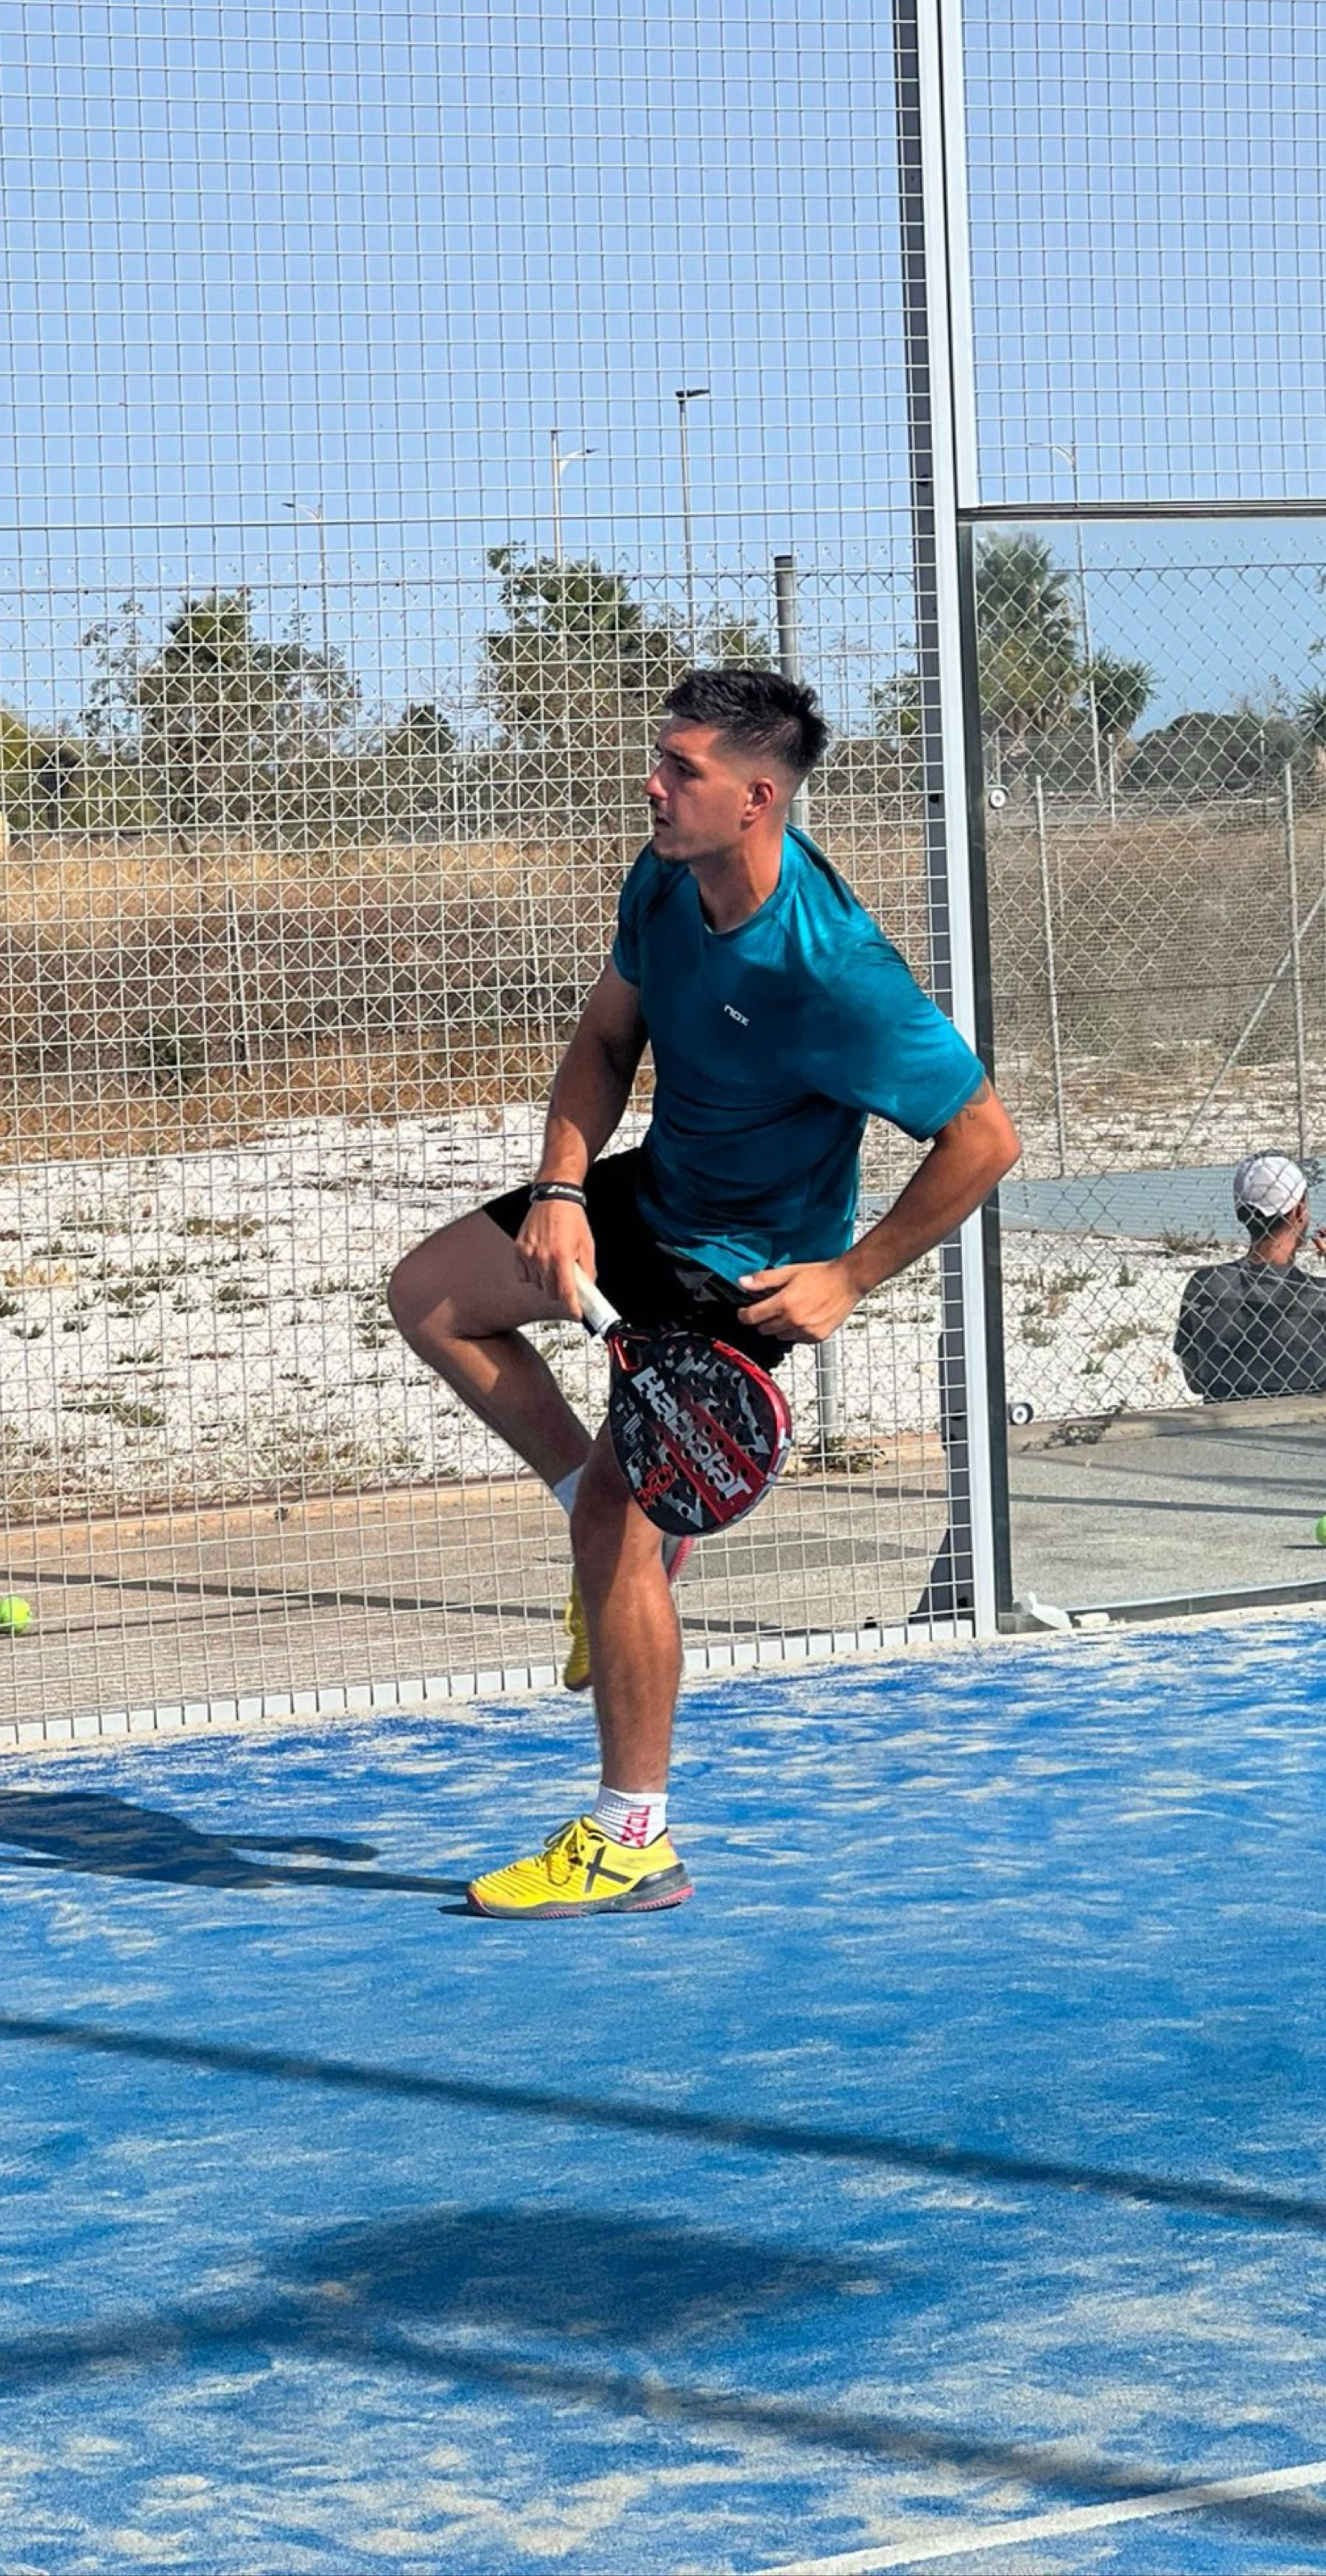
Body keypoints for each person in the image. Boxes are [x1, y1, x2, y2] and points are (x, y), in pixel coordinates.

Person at [388, 669, 1020, 1919]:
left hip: (742, 1273)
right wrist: (561, 1188)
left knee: (618, 1530)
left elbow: (986, 1139)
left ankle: (632, 1837)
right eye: (661, 759)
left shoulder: (836, 974)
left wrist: (851, 1274)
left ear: (756, 799)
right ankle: (611, 1511)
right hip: (654, 1195)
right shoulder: (666, 878)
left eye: (682, 770)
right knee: (433, 1297)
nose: (654, 785)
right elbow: (605, 1039)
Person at [1174, 1151, 1326, 1403]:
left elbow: (1196, 1381)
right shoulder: (1318, 1296)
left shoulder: (1206, 1285)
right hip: (1307, 1421)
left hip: (1222, 1418)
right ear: (1300, 1211)